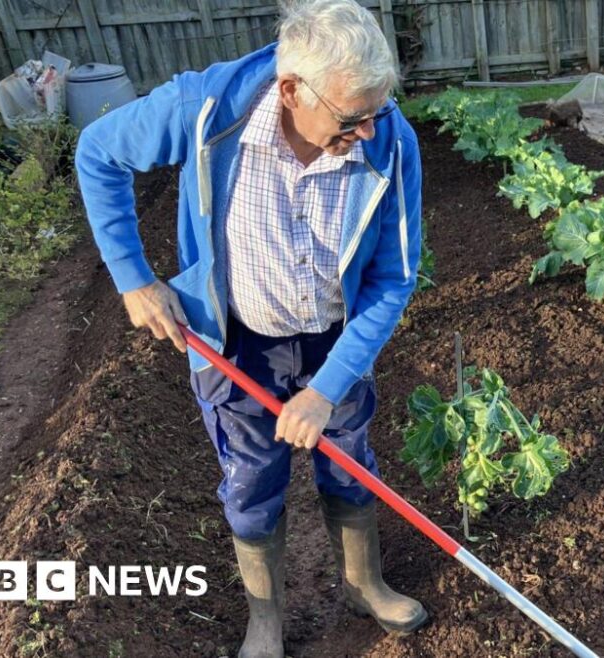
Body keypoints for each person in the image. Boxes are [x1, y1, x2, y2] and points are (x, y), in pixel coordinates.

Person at [74, 0, 426, 655]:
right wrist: (132, 277)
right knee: (251, 479)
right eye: (352, 118)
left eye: (377, 112)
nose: (369, 130)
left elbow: (393, 279)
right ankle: (265, 617)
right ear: (292, 91)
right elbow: (98, 152)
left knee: (349, 459)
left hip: (333, 339)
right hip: (236, 344)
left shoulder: (390, 141)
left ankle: (364, 583)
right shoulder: (207, 110)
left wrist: (325, 390)